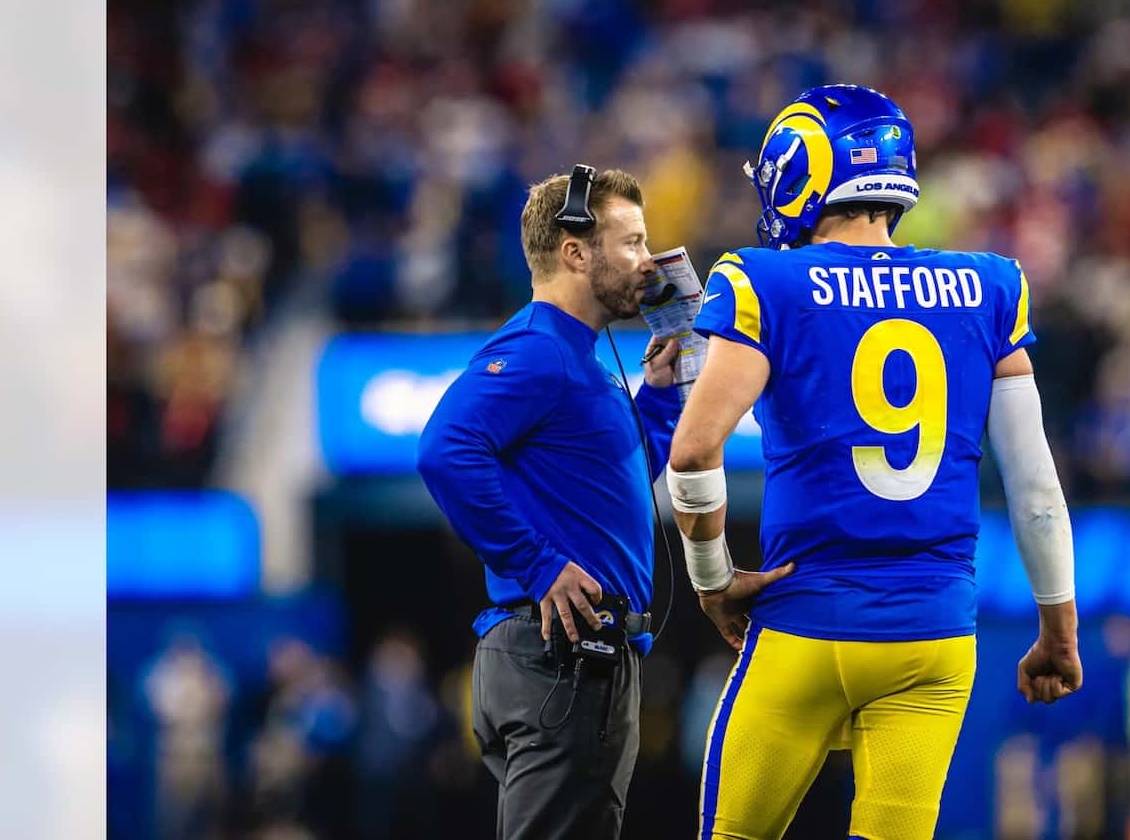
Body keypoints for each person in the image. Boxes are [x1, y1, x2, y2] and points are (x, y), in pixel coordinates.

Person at [665, 84, 1084, 840]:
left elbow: (693, 453)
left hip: (807, 625)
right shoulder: (988, 284)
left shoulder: (765, 281)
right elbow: (1036, 487)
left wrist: (713, 582)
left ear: (801, 174)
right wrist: (1059, 633)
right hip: (934, 636)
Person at [416, 165, 682, 840]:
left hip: (566, 664)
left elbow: (616, 483)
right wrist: (537, 565)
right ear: (575, 251)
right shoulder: (538, 351)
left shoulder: (583, 361)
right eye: (631, 242)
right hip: (558, 659)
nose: (647, 261)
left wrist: (658, 392)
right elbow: (445, 450)